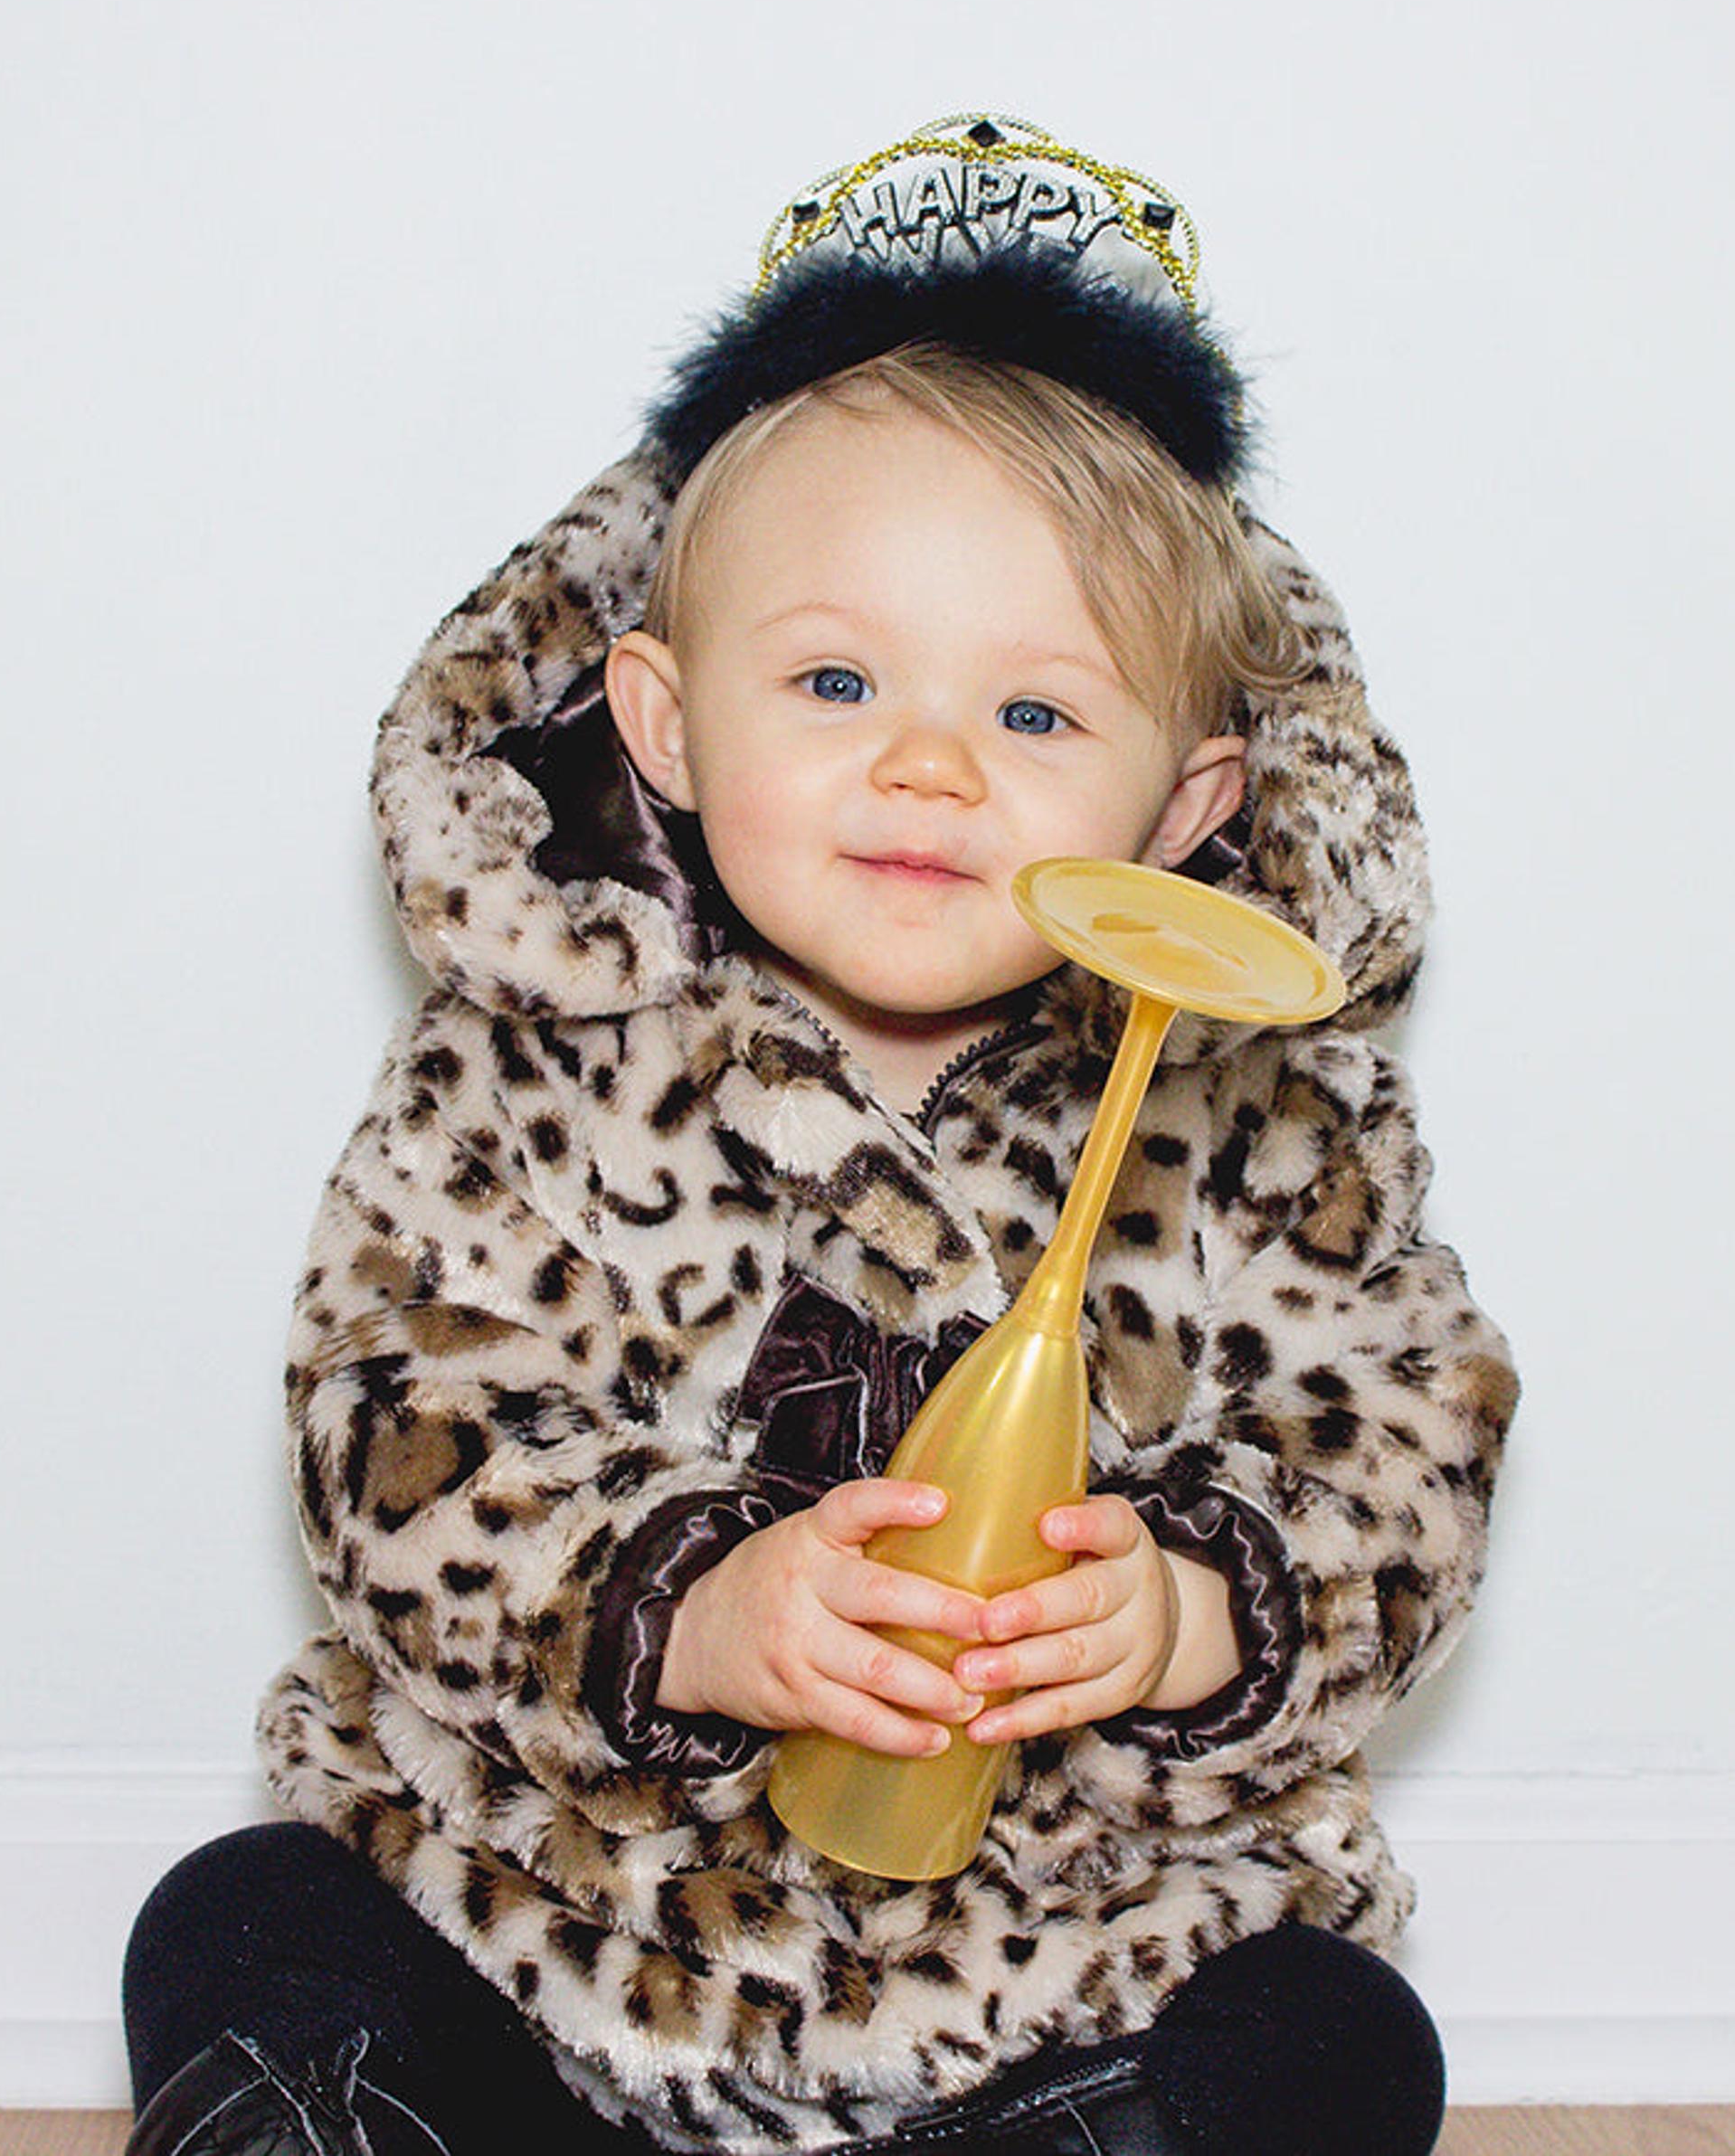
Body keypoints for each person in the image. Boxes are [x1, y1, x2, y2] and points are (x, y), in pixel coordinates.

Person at [121, 116, 1519, 2156]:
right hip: (565, 1941)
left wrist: (1186, 1606)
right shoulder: (536, 1052)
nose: (930, 763)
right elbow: (397, 1424)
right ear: (668, 729)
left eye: (1038, 716)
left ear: (1193, 804)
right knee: (245, 1920)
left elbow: (1398, 1435)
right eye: (840, 677)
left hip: (1058, 1983)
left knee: (1329, 2037)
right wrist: (694, 1605)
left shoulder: (1253, 1102)